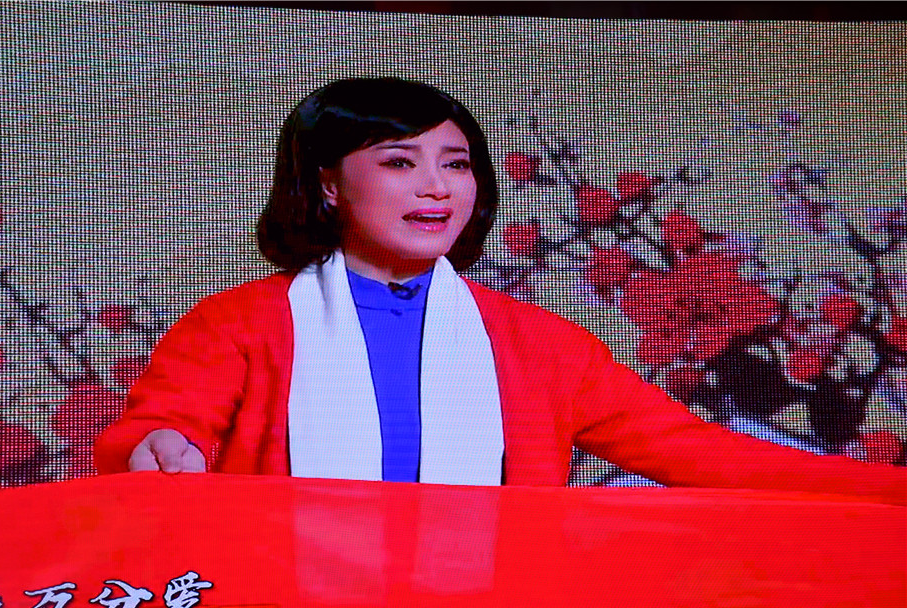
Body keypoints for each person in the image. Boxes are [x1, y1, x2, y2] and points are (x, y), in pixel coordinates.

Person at [94, 77, 905, 504]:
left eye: (456, 164)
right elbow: (162, 426)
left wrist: (891, 493)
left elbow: (704, 456)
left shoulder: (538, 345)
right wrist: (160, 446)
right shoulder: (238, 324)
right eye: (400, 162)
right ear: (329, 185)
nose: (437, 187)